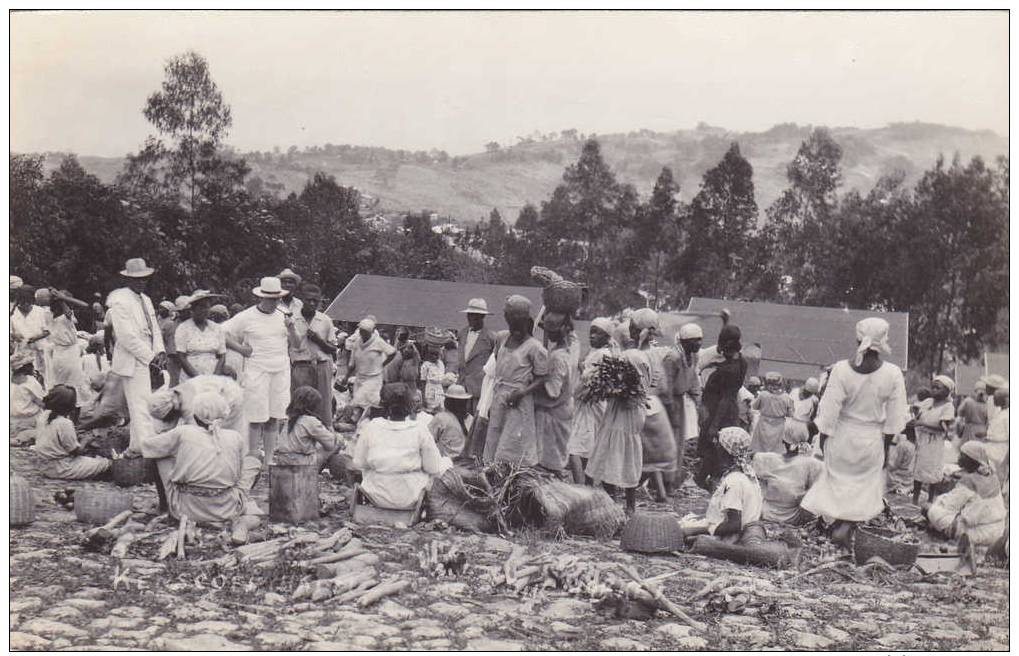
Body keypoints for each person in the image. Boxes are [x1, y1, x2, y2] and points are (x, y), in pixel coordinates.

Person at [799, 318, 908, 541]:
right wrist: (885, 449)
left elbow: (828, 411)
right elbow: (895, 419)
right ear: (884, 340)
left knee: (839, 485)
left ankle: (838, 529)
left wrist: (824, 440)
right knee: (861, 489)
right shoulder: (893, 373)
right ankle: (846, 528)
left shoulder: (841, 369)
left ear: (858, 338)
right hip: (871, 440)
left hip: (841, 437)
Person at [141, 390, 263, 543]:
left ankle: (165, 507)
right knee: (255, 457)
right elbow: (238, 475)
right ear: (224, 414)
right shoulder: (235, 437)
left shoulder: (183, 432)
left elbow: (147, 446)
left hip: (185, 509)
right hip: (226, 508)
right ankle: (241, 518)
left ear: (195, 415)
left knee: (157, 452)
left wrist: (172, 448)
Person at [223, 277, 300, 465]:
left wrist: (291, 329)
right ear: (261, 297)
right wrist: (241, 349)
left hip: (280, 369)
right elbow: (222, 333)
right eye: (271, 298)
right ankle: (252, 457)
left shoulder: (285, 316)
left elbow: (297, 345)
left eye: (277, 298)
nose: (275, 302)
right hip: (256, 370)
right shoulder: (246, 316)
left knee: (275, 416)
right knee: (256, 415)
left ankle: (269, 459)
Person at [352, 382, 449, 510]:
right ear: (410, 405)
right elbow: (433, 467)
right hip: (409, 498)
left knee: (368, 468)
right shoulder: (419, 429)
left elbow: (359, 463)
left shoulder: (371, 426)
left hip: (375, 496)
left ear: (383, 404)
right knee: (446, 463)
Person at [106, 258, 167, 454]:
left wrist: (160, 350)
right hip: (133, 359)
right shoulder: (119, 301)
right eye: (137, 279)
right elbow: (126, 337)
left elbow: (154, 327)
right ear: (128, 279)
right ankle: (146, 449)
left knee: (143, 404)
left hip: (149, 358)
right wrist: (150, 357)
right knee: (139, 405)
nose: (142, 282)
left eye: (145, 279)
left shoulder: (146, 300)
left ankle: (136, 447)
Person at [483, 295, 550, 467]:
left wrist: (522, 392)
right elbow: (500, 367)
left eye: (518, 321)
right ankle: (494, 482)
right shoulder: (501, 338)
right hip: (500, 399)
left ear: (526, 320)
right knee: (494, 442)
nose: (514, 326)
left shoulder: (535, 348)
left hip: (519, 402)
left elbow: (542, 378)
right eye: (511, 321)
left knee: (513, 447)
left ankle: (513, 484)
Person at [680, 426, 763, 544]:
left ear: (725, 452)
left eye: (718, 446)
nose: (715, 448)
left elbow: (734, 525)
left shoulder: (734, 481)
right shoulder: (748, 474)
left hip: (730, 537)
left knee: (680, 528)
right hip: (736, 529)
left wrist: (701, 529)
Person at [925, 441, 1007, 559]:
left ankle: (944, 532)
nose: (959, 458)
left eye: (962, 456)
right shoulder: (992, 475)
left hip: (978, 533)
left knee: (929, 508)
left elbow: (949, 506)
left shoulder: (969, 481)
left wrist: (935, 504)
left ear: (971, 460)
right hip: (998, 530)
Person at [630, 308, 676, 501]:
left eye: (633, 327)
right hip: (654, 406)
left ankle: (628, 491)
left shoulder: (638, 354)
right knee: (652, 456)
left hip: (641, 405)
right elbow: (663, 386)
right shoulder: (657, 353)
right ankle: (662, 493)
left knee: (637, 452)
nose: (630, 330)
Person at [695, 324, 748, 491]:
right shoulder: (741, 361)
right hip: (727, 410)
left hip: (719, 410)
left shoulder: (730, 370)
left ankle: (706, 479)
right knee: (718, 447)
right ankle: (707, 478)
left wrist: (714, 425)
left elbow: (725, 398)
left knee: (715, 445)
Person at [568, 318, 617, 484]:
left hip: (591, 404)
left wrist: (582, 371)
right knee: (586, 448)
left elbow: (590, 380)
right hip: (587, 405)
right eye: (591, 332)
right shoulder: (594, 353)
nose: (593, 336)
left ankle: (581, 488)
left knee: (574, 448)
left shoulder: (604, 355)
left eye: (598, 333)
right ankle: (586, 485)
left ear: (607, 337)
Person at [34, 385, 112, 479]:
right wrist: (86, 440)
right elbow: (75, 452)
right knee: (104, 463)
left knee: (90, 458)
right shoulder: (65, 423)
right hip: (61, 467)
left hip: (44, 465)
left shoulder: (44, 416)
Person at [661, 323, 703, 490]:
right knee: (667, 443)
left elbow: (693, 382)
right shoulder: (672, 358)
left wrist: (698, 403)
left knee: (678, 444)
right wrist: (671, 411)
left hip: (680, 403)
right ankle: (661, 482)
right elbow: (667, 386)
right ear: (685, 341)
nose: (699, 344)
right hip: (668, 404)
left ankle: (670, 480)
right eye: (695, 340)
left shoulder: (693, 357)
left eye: (700, 340)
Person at [753, 426, 824, 524]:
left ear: (782, 440)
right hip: (792, 519)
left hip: (766, 514)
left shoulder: (765, 459)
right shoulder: (811, 464)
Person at [289, 283, 337, 425]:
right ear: (302, 300)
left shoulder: (325, 320)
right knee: (300, 402)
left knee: (324, 404)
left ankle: (325, 434)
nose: (312, 303)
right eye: (308, 300)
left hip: (322, 366)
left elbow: (333, 349)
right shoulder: (292, 319)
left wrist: (318, 340)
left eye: (315, 301)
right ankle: (297, 435)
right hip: (300, 366)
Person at [534, 311, 575, 475]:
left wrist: (536, 382)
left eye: (551, 331)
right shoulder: (568, 350)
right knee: (557, 455)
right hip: (564, 408)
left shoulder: (558, 357)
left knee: (550, 462)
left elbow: (553, 391)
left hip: (554, 411)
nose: (549, 334)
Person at [911, 375, 956, 506]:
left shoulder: (948, 407)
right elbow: (916, 408)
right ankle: (915, 497)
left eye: (938, 387)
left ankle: (930, 498)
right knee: (919, 468)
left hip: (935, 441)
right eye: (933, 387)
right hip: (923, 440)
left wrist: (922, 423)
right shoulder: (929, 401)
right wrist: (916, 413)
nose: (934, 390)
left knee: (933, 468)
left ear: (947, 391)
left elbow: (943, 428)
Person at [346, 316, 398, 424]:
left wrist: (382, 364)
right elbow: (352, 363)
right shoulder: (357, 342)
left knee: (365, 400)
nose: (362, 333)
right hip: (360, 377)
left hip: (373, 378)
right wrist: (346, 377)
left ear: (371, 332)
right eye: (361, 331)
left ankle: (370, 423)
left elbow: (392, 352)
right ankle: (358, 423)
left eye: (365, 331)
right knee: (359, 402)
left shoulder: (378, 341)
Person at [274, 386, 341, 467]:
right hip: (301, 463)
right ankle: (319, 470)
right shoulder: (311, 421)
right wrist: (335, 436)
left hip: (282, 460)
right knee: (338, 440)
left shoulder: (289, 419)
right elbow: (330, 444)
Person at [47, 294, 89, 416]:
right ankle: (63, 413)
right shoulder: (50, 317)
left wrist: (61, 298)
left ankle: (73, 416)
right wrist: (60, 298)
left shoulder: (66, 317)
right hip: (59, 353)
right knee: (63, 383)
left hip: (69, 352)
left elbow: (83, 306)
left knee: (74, 383)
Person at [173, 290, 227, 382]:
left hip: (213, 375)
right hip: (191, 376)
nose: (204, 310)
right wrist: (199, 378)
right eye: (200, 307)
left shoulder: (216, 328)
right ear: (193, 309)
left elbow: (222, 355)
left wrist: (215, 377)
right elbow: (181, 357)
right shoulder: (183, 328)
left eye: (207, 307)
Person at [10, 286, 51, 383]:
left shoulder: (41, 312)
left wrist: (36, 337)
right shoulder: (12, 313)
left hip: (40, 350)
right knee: (25, 379)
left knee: (42, 377)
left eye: (28, 301)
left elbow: (48, 331)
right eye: (23, 301)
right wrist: (14, 335)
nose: (26, 304)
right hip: (22, 352)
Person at [750, 372, 793, 455]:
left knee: (761, 449)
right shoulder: (786, 397)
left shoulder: (763, 395)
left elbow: (755, 406)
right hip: (778, 425)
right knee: (775, 450)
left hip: (763, 424)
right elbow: (790, 413)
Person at [428, 383, 472, 459]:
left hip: (447, 462)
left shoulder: (441, 418)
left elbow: (427, 440)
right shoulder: (470, 418)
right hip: (467, 462)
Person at [10, 352, 44, 445]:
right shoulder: (31, 382)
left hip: (11, 419)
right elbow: (42, 402)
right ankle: (19, 439)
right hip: (28, 420)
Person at [420, 328, 451, 413]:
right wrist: (423, 399)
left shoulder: (441, 363)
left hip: (439, 392)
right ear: (428, 354)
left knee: (440, 412)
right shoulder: (426, 365)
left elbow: (442, 379)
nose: (434, 356)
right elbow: (422, 382)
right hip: (429, 391)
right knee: (429, 412)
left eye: (436, 354)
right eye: (432, 354)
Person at [983, 388, 1008, 487]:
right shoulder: (999, 412)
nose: (995, 401)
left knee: (999, 476)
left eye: (998, 399)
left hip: (1001, 449)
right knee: (990, 474)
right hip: (991, 446)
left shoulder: (1008, 415)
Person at [788, 377, 820, 450]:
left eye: (810, 393)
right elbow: (788, 407)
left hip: (803, 426)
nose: (807, 394)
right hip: (790, 422)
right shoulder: (794, 392)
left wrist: (806, 424)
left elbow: (813, 417)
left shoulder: (815, 400)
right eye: (806, 391)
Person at [955, 379, 989, 447]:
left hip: (969, 429)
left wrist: (959, 429)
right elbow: (988, 420)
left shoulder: (968, 401)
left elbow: (959, 413)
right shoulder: (987, 404)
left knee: (967, 448)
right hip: (982, 429)